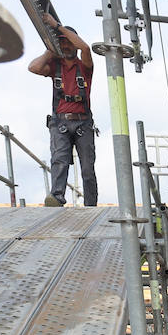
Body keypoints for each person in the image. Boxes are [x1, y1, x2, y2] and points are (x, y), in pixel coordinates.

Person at [28, 13, 97, 207]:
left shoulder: (84, 66)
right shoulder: (55, 66)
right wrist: (50, 51)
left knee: (87, 169)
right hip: (60, 122)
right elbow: (33, 67)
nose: (66, 46)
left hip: (83, 122)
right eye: (62, 43)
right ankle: (56, 197)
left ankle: (90, 205)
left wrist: (57, 26)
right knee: (59, 160)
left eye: (68, 42)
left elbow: (85, 47)